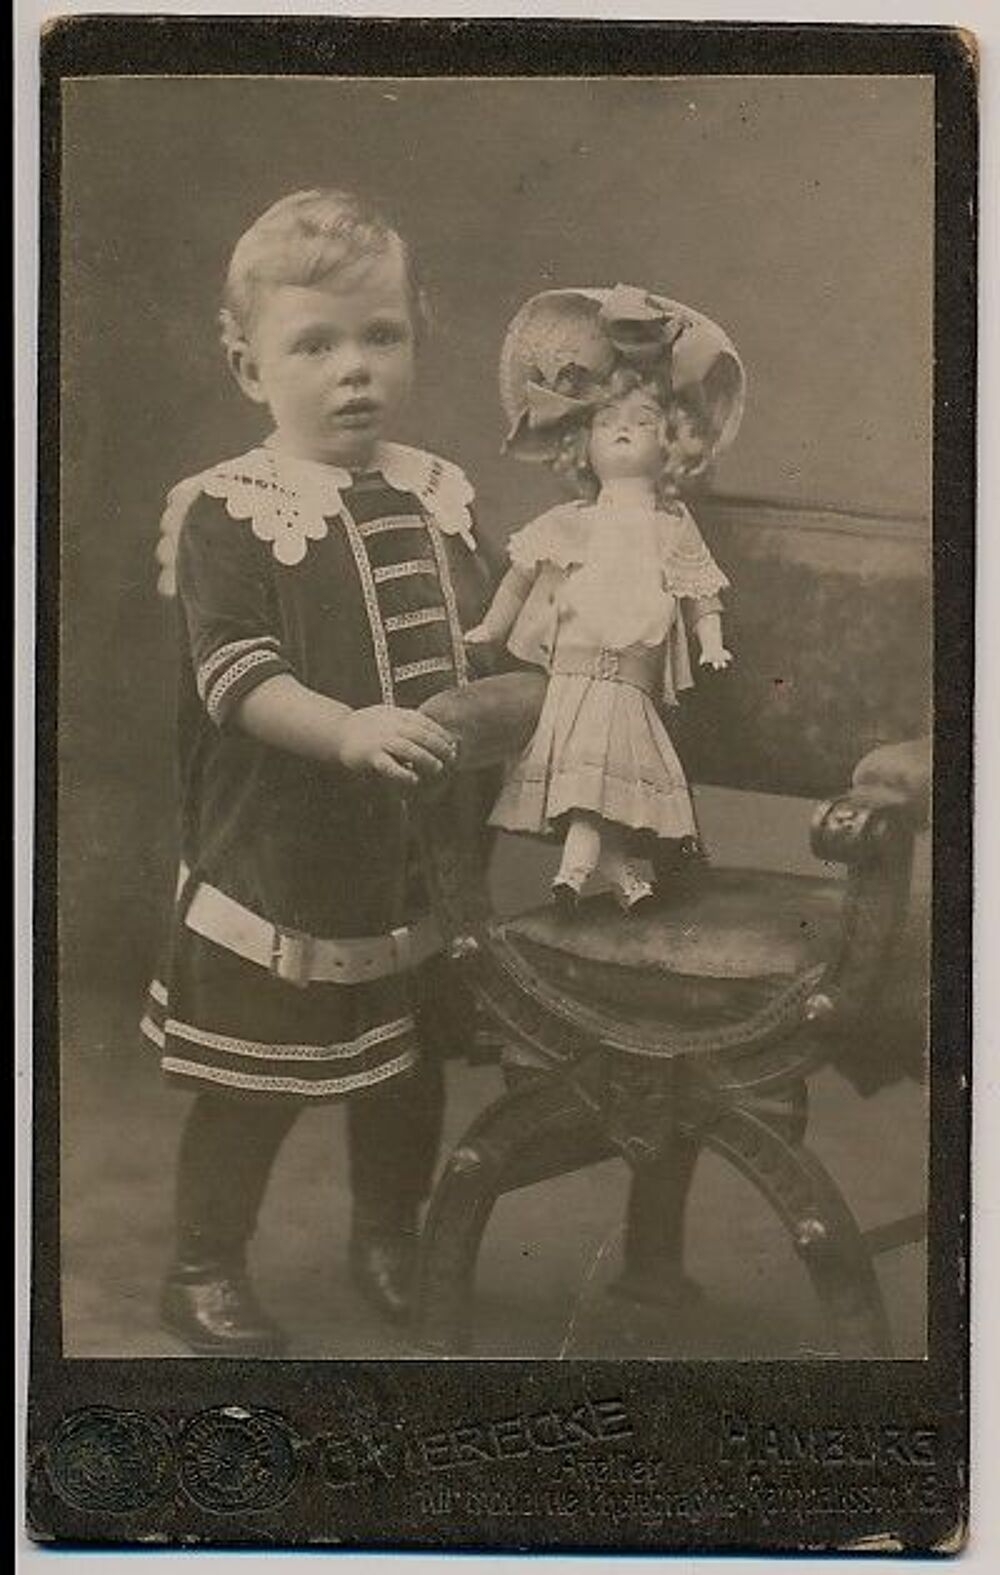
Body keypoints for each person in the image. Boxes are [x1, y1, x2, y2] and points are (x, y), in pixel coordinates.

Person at [142, 188, 491, 1354]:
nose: (356, 371)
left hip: (408, 857)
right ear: (249, 368)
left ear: (416, 336)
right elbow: (234, 676)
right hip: (282, 854)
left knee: (404, 1068)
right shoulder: (231, 513)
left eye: (380, 336)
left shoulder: (438, 494)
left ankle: (388, 1236)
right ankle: (202, 1264)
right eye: (315, 344)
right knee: (257, 1078)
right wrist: (346, 730)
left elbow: (475, 637)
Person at [465, 284, 745, 913]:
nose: (622, 432)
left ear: (671, 442)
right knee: (590, 779)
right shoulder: (572, 522)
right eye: (608, 424)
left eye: (642, 423)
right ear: (582, 443)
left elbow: (701, 591)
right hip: (573, 671)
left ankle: (582, 873)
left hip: (629, 676)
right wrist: (490, 627)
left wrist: (713, 642)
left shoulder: (671, 527)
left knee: (598, 780)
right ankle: (611, 877)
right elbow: (520, 575)